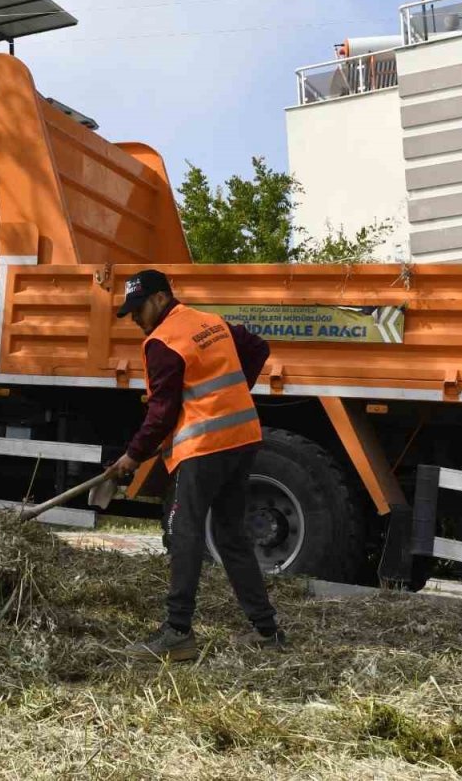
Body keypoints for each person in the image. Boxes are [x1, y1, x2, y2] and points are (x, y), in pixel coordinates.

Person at [105, 269, 286, 661]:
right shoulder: (210, 322)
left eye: (138, 310)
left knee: (184, 534)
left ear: (158, 299)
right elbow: (258, 347)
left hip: (203, 448)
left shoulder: (163, 342)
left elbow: (162, 414)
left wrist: (132, 456)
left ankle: (177, 632)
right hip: (241, 440)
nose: (135, 319)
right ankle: (266, 631)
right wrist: (234, 393)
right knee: (230, 536)